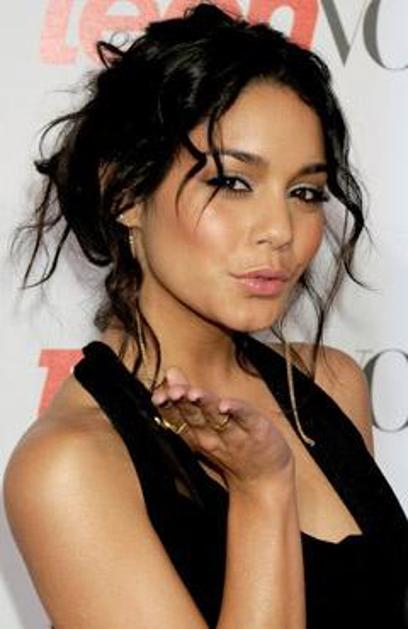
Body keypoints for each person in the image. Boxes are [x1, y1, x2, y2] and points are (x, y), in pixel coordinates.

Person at [3, 2, 408, 628]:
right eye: (232, 183)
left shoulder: (329, 386)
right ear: (125, 192)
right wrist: (261, 490)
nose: (280, 230)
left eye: (305, 192)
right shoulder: (70, 466)